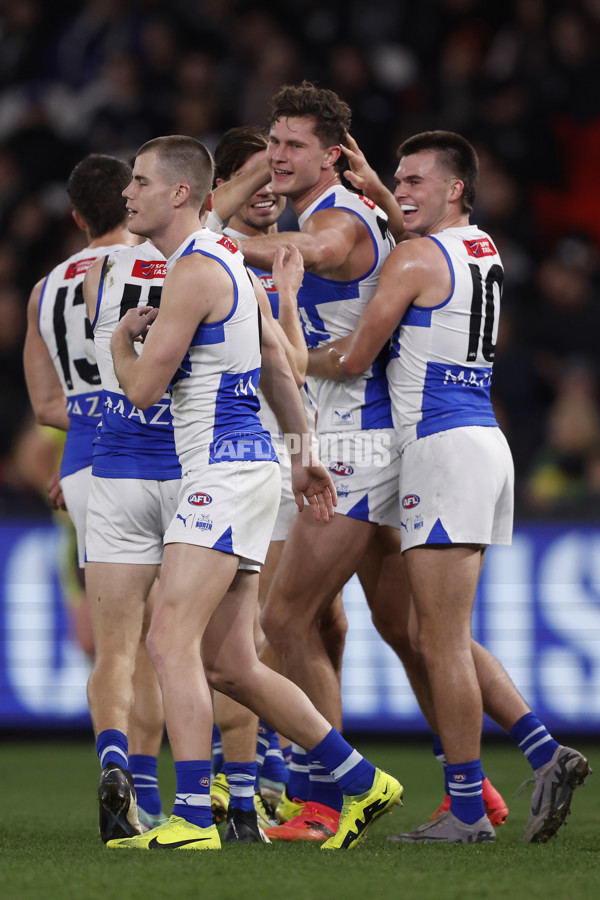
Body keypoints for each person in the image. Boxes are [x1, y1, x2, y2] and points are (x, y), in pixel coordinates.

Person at [106, 133, 403, 851]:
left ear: (180, 193)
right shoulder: (228, 260)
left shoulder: (193, 271)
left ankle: (192, 818)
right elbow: (277, 358)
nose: (128, 194)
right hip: (250, 468)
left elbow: (142, 391)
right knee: (230, 664)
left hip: (220, 471)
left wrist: (120, 342)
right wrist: (303, 458)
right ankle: (363, 780)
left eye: (140, 181)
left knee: (167, 639)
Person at [307, 129, 592, 843]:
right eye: (397, 179)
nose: (401, 191)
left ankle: (467, 811)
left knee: (439, 642)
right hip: (481, 443)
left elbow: (354, 357)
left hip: (438, 449)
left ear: (455, 188)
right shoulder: (482, 247)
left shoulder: (412, 258)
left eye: (415, 181)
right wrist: (383, 192)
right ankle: (542, 751)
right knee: (438, 633)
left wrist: (281, 350)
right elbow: (422, 242)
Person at [233, 81, 497, 842]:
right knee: (395, 626)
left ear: (331, 158)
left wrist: (210, 244)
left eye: (293, 145)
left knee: (287, 617)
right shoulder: (390, 217)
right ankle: (487, 782)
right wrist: (380, 191)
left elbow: (318, 268)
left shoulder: (340, 222)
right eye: (272, 142)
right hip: (377, 438)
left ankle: (331, 797)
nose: (277, 156)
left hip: (357, 440)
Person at [22, 154, 169, 835]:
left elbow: (45, 405)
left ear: (78, 216)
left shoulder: (44, 288)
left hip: (83, 462)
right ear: (132, 200)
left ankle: (123, 782)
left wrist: (89, 425)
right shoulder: (157, 264)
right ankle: (173, 795)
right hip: (155, 451)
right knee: (172, 641)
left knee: (118, 645)